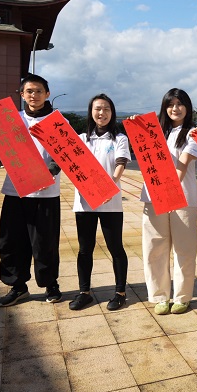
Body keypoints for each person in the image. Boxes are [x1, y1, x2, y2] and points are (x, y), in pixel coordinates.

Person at [0, 74, 64, 307]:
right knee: (11, 241)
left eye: (38, 91)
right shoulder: (12, 119)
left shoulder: (57, 121)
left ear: (47, 93)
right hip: (15, 191)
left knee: (45, 242)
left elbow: (63, 156)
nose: (33, 96)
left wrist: (48, 173)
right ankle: (17, 286)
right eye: (28, 91)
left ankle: (50, 283)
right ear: (21, 95)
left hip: (46, 193)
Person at [140, 88, 197, 315]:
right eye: (170, 104)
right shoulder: (154, 133)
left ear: (187, 106)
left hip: (182, 198)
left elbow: (182, 165)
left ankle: (182, 296)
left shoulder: (193, 134)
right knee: (155, 247)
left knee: (184, 249)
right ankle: (159, 296)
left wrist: (166, 191)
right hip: (153, 197)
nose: (175, 108)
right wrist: (135, 127)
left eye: (179, 104)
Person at [67, 94, 132, 311]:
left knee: (115, 247)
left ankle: (120, 292)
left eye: (106, 109)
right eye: (97, 109)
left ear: (112, 112)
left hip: (110, 202)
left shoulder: (119, 138)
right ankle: (84, 292)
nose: (101, 113)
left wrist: (109, 186)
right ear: (91, 112)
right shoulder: (81, 138)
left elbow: (121, 163)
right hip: (84, 203)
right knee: (85, 249)